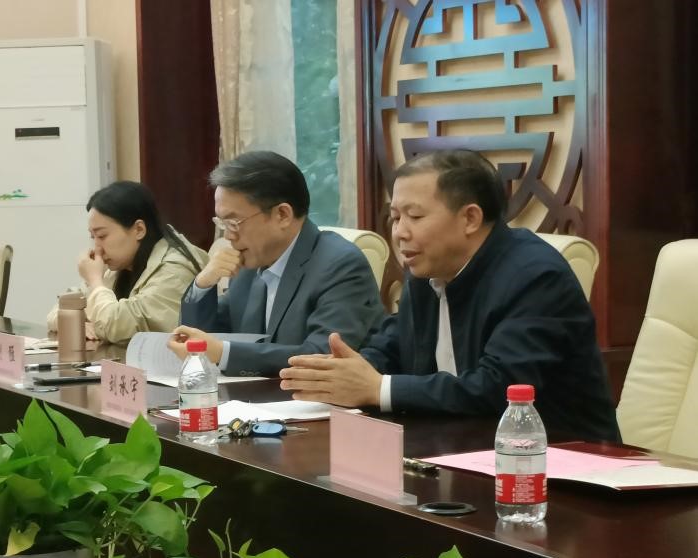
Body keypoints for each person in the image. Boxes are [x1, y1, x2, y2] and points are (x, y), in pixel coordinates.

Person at [279, 149, 621, 442]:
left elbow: (498, 389)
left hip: (559, 464)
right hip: (458, 450)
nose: (399, 232)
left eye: (414, 216)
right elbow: (393, 346)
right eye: (395, 217)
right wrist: (345, 373)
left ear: (470, 218)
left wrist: (376, 387)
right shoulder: (428, 269)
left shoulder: (536, 277)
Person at [169, 151, 385, 377]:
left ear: (282, 215)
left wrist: (223, 354)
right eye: (222, 223)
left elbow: (322, 357)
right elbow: (200, 344)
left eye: (234, 222)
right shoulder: (248, 268)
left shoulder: (340, 265)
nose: (229, 236)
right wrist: (203, 285)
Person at [46, 181, 209, 344]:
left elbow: (115, 326)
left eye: (102, 236)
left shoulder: (174, 271)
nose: (97, 248)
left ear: (139, 230)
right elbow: (59, 311)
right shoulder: (118, 263)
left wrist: (95, 281)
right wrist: (76, 324)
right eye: (92, 237)